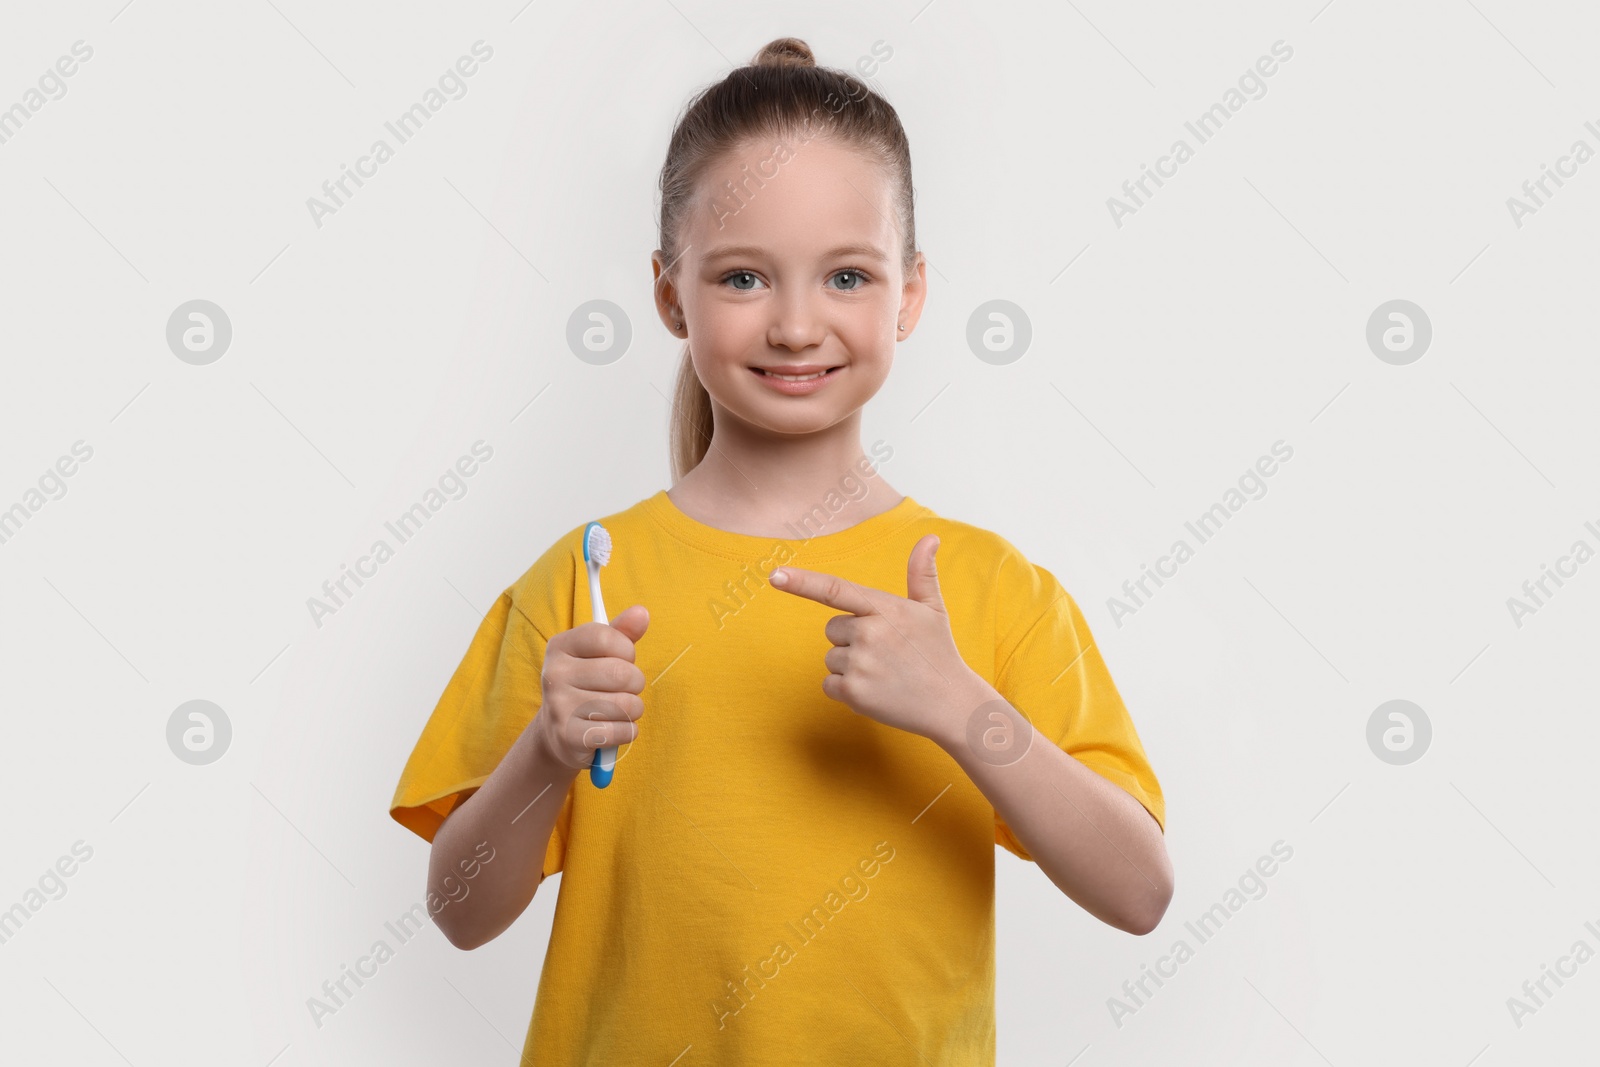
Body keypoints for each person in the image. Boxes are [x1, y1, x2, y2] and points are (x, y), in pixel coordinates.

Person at [389, 35, 1172, 1064]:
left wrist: (962, 706)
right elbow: (457, 906)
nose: (797, 325)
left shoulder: (991, 589)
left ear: (910, 294)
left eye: (847, 275)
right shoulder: (585, 580)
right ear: (672, 294)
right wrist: (543, 749)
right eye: (745, 277)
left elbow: (1140, 890)